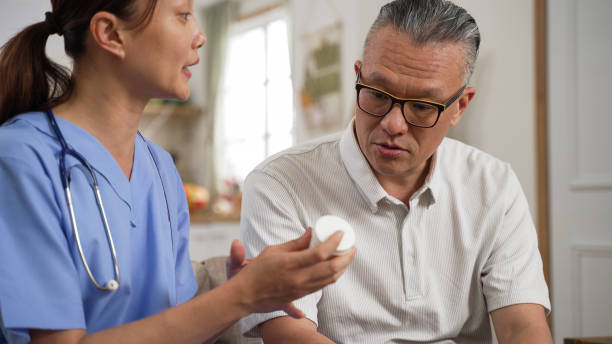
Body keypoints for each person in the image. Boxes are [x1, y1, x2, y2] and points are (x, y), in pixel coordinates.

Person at [0, 0, 356, 343]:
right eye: (183, 15)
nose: (199, 35)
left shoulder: (160, 168)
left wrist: (244, 297)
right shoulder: (22, 157)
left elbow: (176, 330)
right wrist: (240, 297)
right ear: (110, 33)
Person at [239, 0, 552, 342]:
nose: (392, 123)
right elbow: (289, 333)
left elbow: (523, 326)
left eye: (421, 106)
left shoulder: (493, 185)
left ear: (460, 106)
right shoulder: (280, 183)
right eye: (376, 94)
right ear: (358, 75)